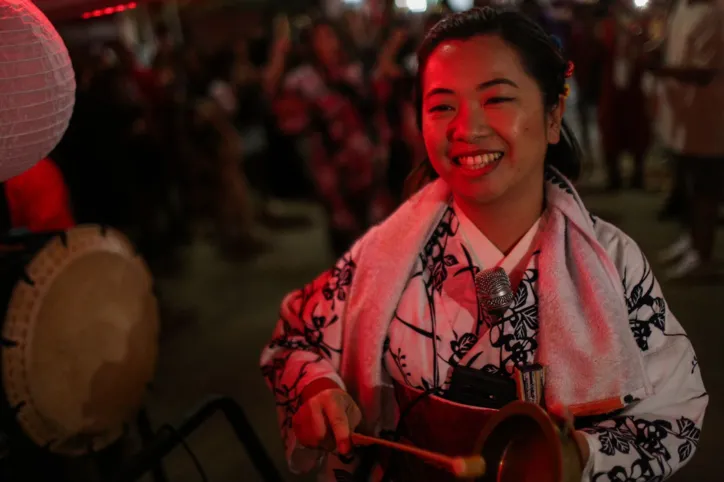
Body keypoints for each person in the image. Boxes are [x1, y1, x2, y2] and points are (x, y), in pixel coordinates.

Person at [261, 8, 707, 482]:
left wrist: (579, 456)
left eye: (496, 99)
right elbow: (295, 340)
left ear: (553, 114)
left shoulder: (613, 263)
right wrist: (317, 389)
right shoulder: (383, 256)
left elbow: (675, 411)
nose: (466, 128)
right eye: (442, 106)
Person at [651, 0, 724, 278]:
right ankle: (691, 241)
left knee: (704, 188)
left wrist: (661, 69)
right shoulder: (683, 7)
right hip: (681, 114)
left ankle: (702, 254)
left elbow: (705, 72)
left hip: (707, 116)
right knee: (688, 184)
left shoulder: (716, 14)